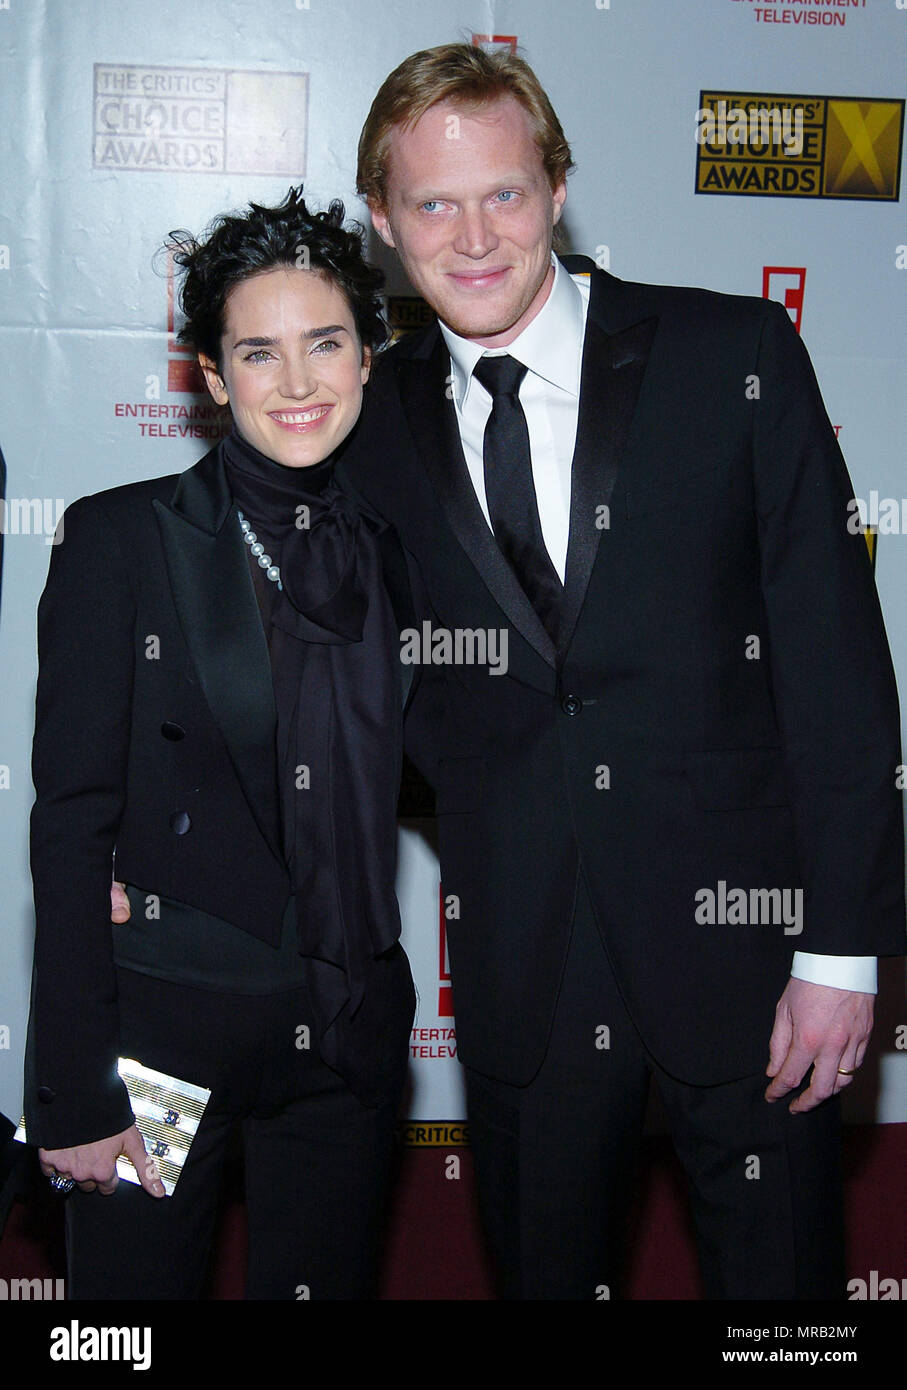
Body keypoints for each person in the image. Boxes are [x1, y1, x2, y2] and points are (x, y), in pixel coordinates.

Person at [333, 43, 906, 1298]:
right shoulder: (364, 419)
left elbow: (835, 668)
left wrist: (842, 955)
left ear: (556, 189)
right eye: (433, 202)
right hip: (525, 970)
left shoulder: (732, 356)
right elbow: (343, 676)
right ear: (381, 218)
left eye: (506, 193)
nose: (474, 236)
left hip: (755, 960)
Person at [23, 187, 416, 1300]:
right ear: (211, 371)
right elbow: (71, 822)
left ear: (369, 355)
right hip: (161, 1039)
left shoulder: (405, 544)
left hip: (346, 1036)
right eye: (258, 351)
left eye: (325, 342)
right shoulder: (121, 539)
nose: (297, 383)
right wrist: (73, 1090)